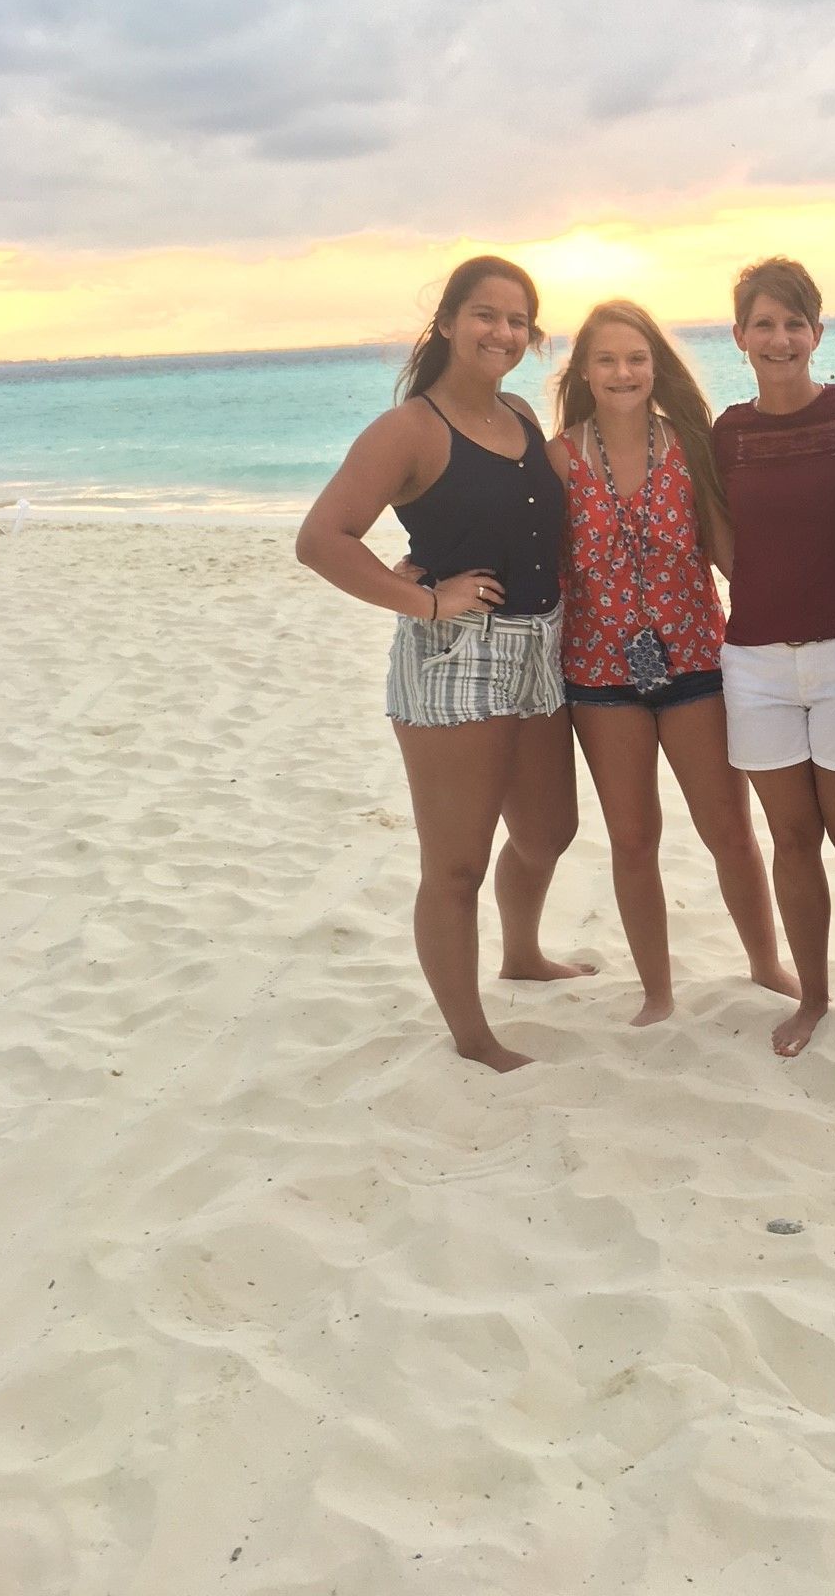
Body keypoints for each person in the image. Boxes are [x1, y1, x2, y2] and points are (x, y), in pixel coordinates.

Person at [296, 255, 591, 1074]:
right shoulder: (410, 429)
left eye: (518, 320)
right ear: (450, 325)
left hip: (541, 645)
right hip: (454, 656)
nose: (502, 332)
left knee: (548, 831)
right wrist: (424, 601)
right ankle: (473, 1037)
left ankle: (522, 953)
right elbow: (321, 540)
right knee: (456, 863)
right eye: (486, 315)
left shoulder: (524, 415)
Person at [546, 301, 797, 1025]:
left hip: (694, 663)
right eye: (607, 360)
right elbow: (532, 558)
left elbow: (728, 553)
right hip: (599, 677)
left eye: (636, 359)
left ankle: (765, 963)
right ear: (585, 373)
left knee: (729, 831)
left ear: (656, 367)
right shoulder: (560, 457)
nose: (623, 372)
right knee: (633, 839)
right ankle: (657, 992)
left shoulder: (689, 444)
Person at [713, 258, 835, 1056]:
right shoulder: (728, 432)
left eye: (795, 323)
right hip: (754, 663)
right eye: (764, 323)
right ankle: (814, 996)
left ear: (818, 333)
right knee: (791, 842)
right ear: (739, 336)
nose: (779, 338)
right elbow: (720, 541)